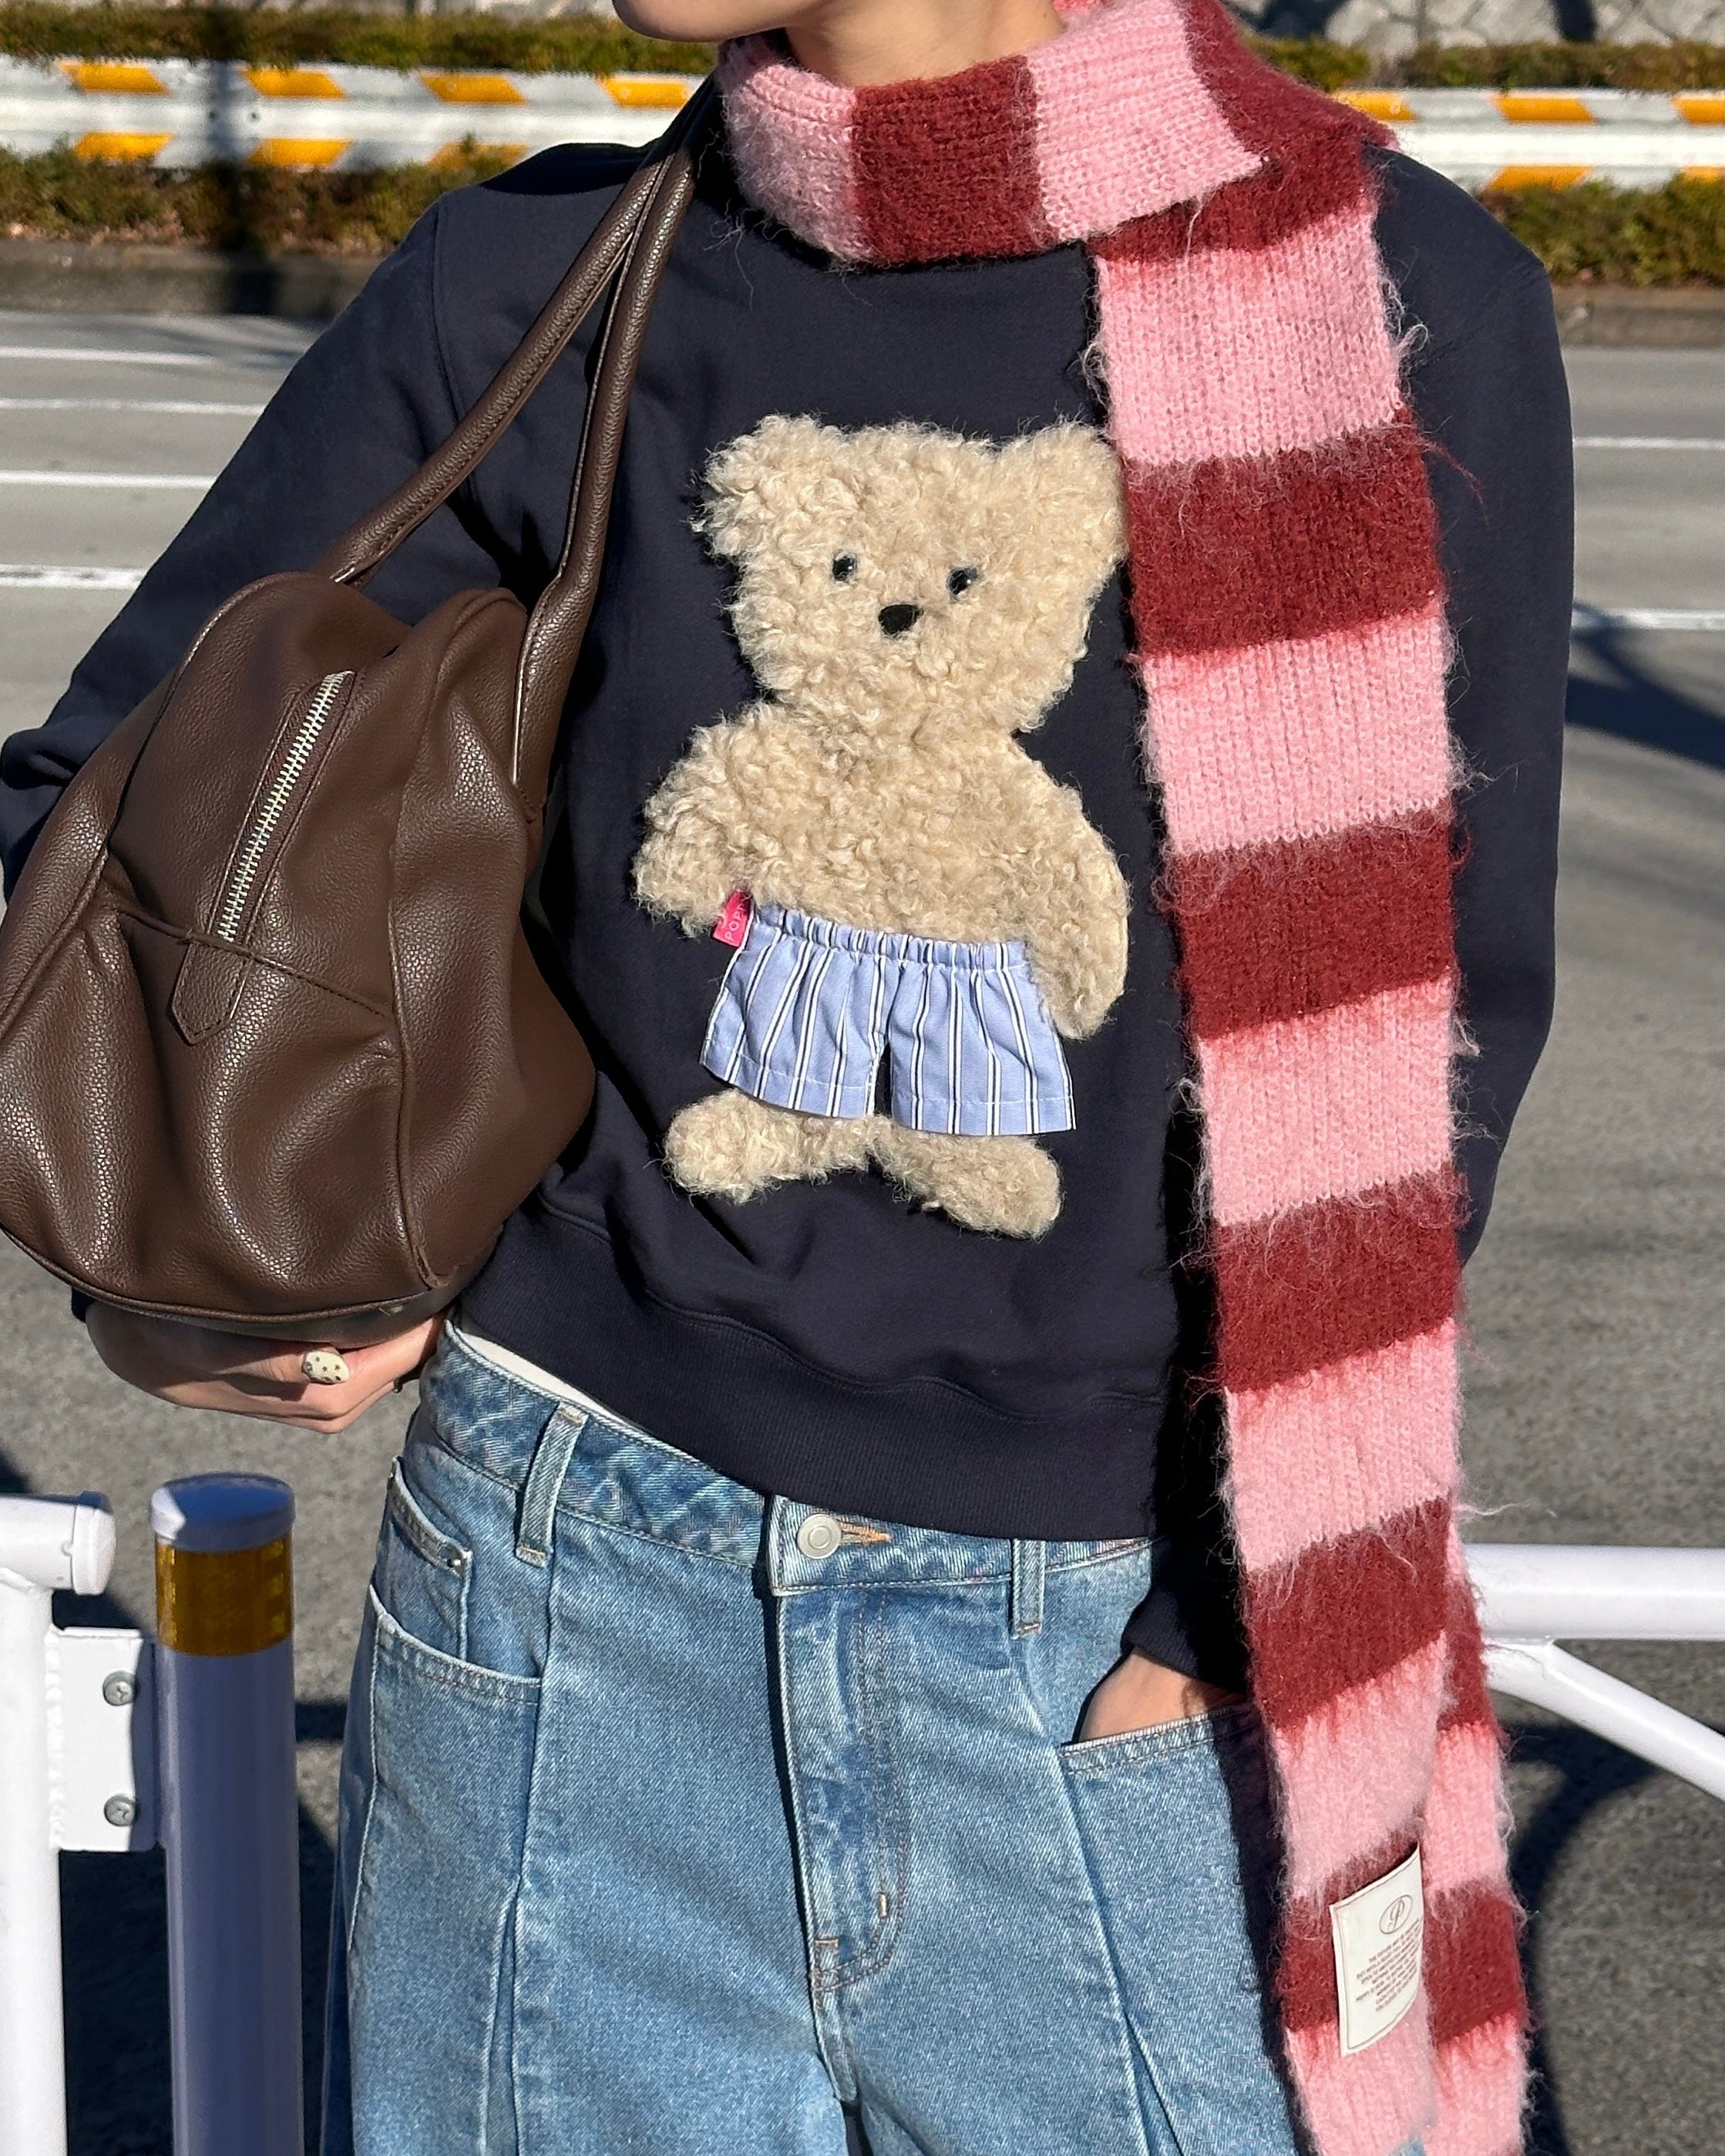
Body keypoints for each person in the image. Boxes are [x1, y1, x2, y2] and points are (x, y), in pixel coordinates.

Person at [0, 0, 1571, 2149]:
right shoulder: (549, 281)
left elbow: (1446, 1041)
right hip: (562, 1586)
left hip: (1118, 1655)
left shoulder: (1394, 303)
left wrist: (1229, 1624)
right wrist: (208, 1230)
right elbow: (105, 825)